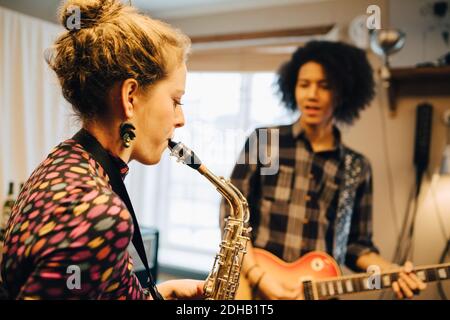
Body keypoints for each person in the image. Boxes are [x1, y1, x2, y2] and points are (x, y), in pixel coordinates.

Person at [0, 0, 204, 300]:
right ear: (130, 96)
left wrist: (157, 294)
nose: (180, 119)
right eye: (176, 100)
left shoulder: (63, 159)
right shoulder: (97, 212)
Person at [220, 41, 426, 300]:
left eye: (324, 86)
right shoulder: (265, 142)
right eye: (304, 84)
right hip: (256, 288)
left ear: (342, 94)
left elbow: (356, 246)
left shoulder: (356, 167)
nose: (312, 95)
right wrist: (259, 276)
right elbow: (232, 214)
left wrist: (390, 270)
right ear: (292, 87)